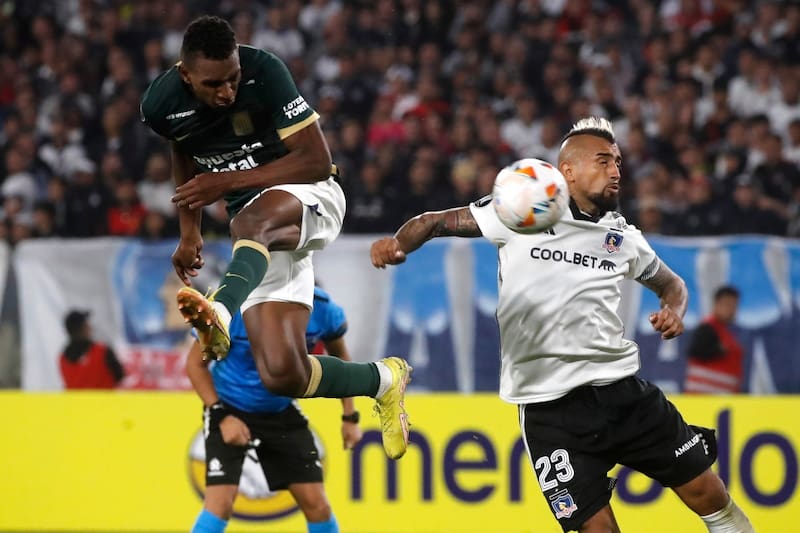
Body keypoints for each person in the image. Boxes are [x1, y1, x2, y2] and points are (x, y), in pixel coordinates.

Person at [370, 117, 754, 533]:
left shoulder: (622, 237)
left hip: (622, 393)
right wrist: (397, 244)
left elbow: (672, 284)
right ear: (568, 170)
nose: (616, 171)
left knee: (709, 495)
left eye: (619, 162)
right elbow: (434, 221)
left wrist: (674, 309)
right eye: (603, 161)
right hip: (549, 412)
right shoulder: (522, 212)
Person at [140, 15, 410, 459]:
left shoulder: (266, 71)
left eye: (232, 79)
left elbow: (317, 161)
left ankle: (221, 314)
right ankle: (384, 380)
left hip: (311, 197)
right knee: (282, 373)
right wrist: (188, 233)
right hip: (261, 236)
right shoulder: (160, 104)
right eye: (213, 85)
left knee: (247, 223)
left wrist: (225, 182)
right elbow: (182, 146)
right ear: (185, 75)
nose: (226, 92)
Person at [186, 286, 362, 533]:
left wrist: (350, 416)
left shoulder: (322, 308)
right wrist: (220, 415)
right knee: (219, 504)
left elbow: (342, 361)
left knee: (317, 504)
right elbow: (195, 365)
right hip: (229, 407)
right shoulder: (231, 303)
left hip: (280, 409)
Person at [685, 286, 745, 394]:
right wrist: (719, 350)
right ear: (716, 304)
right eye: (727, 305)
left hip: (723, 399)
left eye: (734, 306)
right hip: (705, 399)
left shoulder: (728, 332)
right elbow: (695, 351)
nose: (731, 310)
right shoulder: (707, 328)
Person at [59, 309, 125, 389]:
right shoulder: (102, 351)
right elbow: (120, 376)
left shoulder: (62, 360)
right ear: (84, 328)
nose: (90, 327)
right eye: (87, 324)